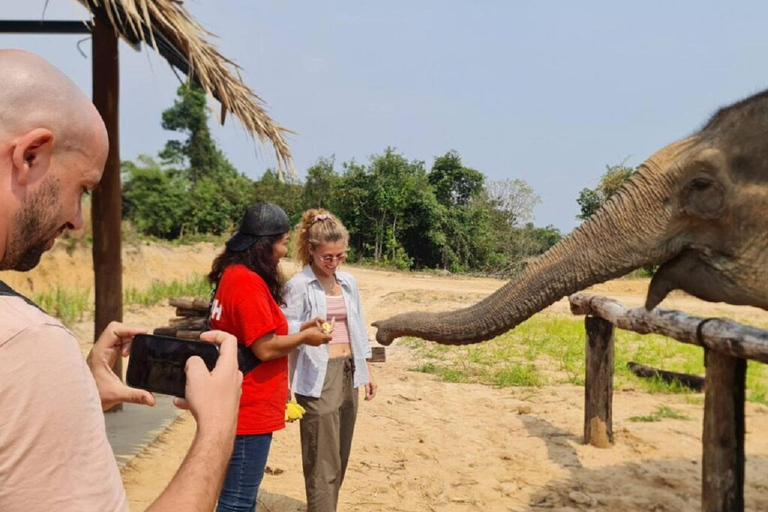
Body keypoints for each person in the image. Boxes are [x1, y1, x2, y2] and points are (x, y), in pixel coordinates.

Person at [0, 49, 243, 512]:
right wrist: (217, 431)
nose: (78, 221)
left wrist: (72, 395)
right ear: (31, 155)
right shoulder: (25, 344)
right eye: (83, 191)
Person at [208, 202, 332, 512]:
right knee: (238, 501)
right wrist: (305, 338)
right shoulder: (248, 282)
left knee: (234, 496)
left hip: (234, 400)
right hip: (249, 407)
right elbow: (264, 348)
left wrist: (300, 326)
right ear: (265, 244)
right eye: (283, 241)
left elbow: (257, 330)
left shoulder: (233, 274)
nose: (285, 248)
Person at [283, 208, 378, 512]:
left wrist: (368, 370)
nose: (334, 263)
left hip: (349, 372)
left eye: (340, 256)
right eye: (327, 257)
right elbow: (283, 328)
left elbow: (358, 327)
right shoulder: (299, 285)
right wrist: (306, 329)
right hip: (317, 376)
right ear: (310, 250)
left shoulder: (348, 282)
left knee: (341, 453)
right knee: (322, 457)